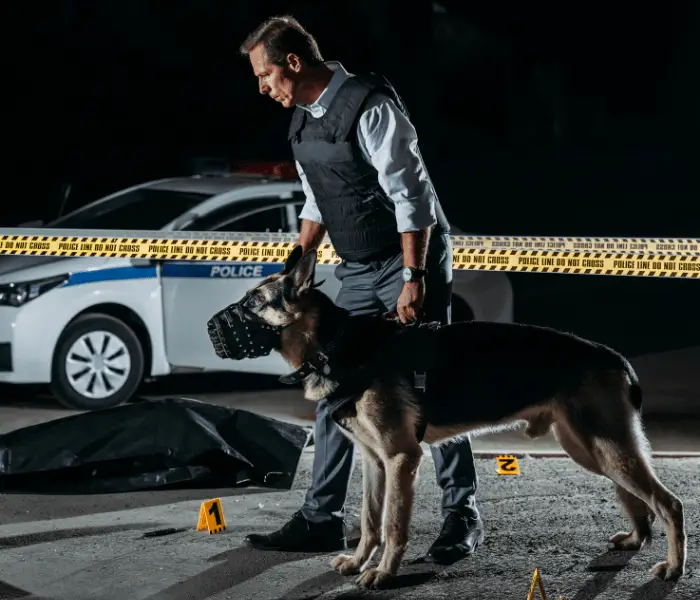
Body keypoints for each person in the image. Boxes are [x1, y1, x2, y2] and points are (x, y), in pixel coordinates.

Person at [239, 15, 485, 565]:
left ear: (294, 63)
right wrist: (294, 264)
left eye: (266, 75)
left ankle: (460, 513)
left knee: (427, 385)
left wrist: (413, 277)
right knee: (330, 385)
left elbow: (411, 196)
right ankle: (321, 518)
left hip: (407, 262)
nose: (263, 87)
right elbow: (315, 202)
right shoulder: (302, 122)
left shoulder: (370, 106)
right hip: (354, 269)